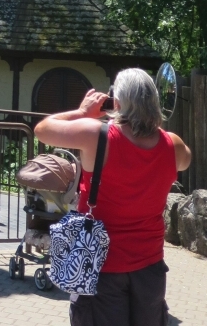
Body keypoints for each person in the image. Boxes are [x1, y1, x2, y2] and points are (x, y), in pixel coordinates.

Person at [34, 69, 191, 326]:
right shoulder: (172, 145)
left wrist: (83, 112)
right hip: (150, 267)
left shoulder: (97, 135)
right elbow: (186, 159)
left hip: (100, 267)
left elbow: (42, 129)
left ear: (116, 103)